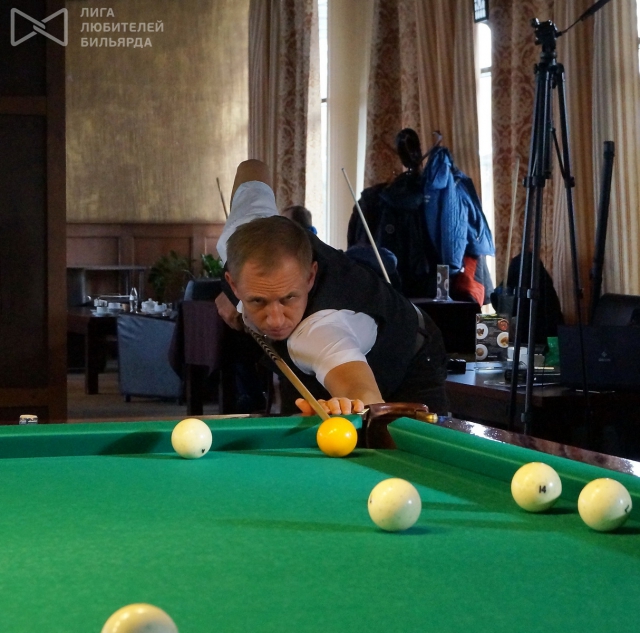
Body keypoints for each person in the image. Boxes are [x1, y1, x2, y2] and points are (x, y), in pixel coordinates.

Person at [215, 159, 448, 416]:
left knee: (390, 435)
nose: (275, 320)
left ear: (310, 277)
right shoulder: (245, 231)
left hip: (409, 357)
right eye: (258, 300)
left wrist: (353, 406)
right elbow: (252, 167)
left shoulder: (319, 332)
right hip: (325, 352)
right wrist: (234, 297)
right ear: (233, 283)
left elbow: (364, 395)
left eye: (288, 298)